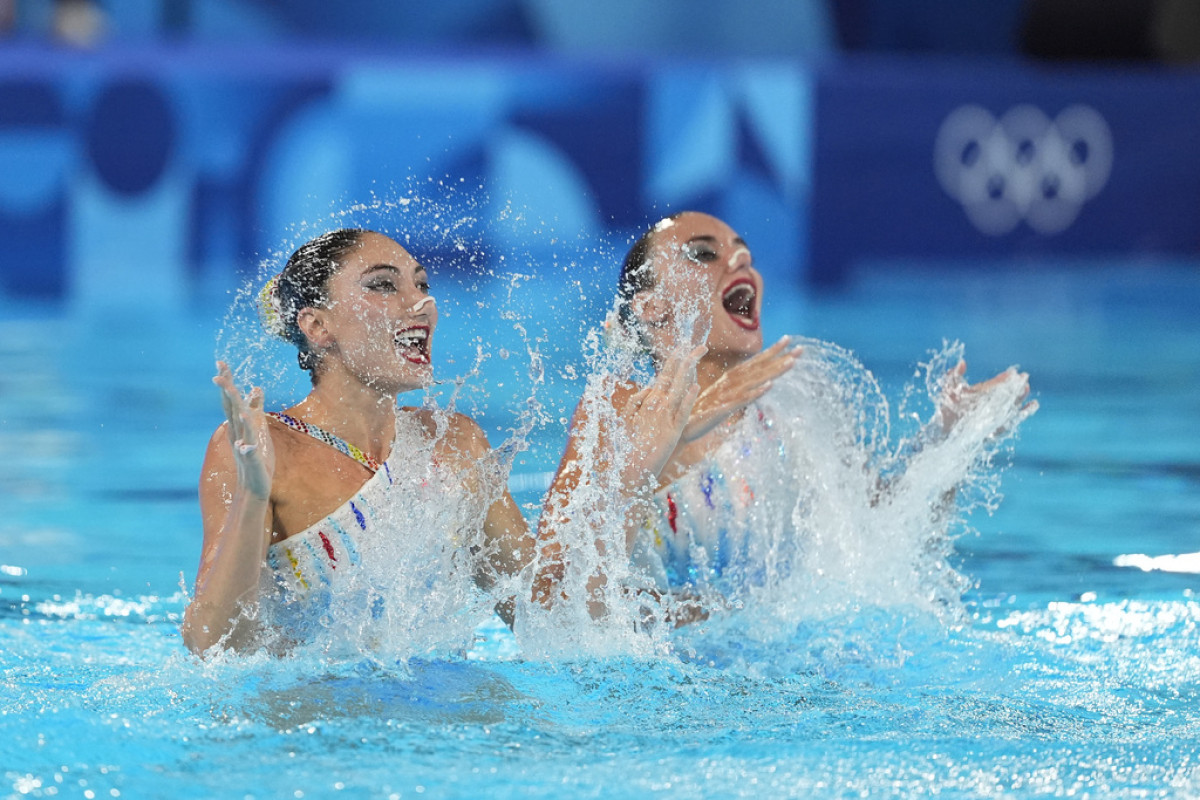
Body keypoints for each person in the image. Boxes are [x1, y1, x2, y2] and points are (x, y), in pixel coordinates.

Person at [180, 228, 716, 656]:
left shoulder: (454, 445)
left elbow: (549, 618)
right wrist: (253, 493)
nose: (422, 303)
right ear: (318, 327)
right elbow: (213, 645)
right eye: (385, 285)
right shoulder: (259, 449)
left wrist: (623, 478)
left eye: (421, 284)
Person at [589, 211, 1035, 622]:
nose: (740, 260)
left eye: (745, 254)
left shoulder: (792, 418)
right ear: (651, 308)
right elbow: (574, 595)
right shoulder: (616, 413)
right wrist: (703, 613)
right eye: (705, 253)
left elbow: (886, 552)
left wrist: (950, 442)